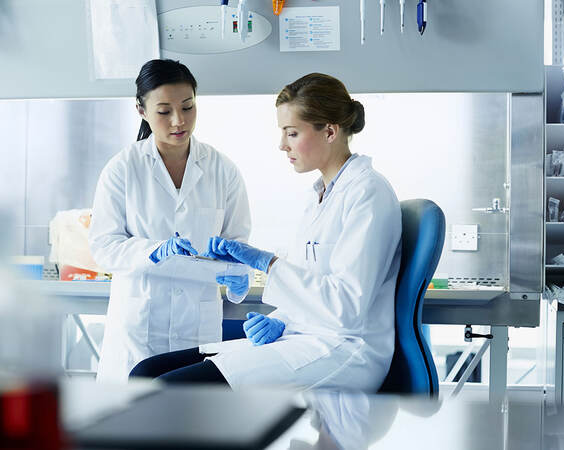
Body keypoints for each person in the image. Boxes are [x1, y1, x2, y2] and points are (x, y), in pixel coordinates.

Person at [130, 73, 402, 393]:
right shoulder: (319, 196)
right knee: (145, 372)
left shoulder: (367, 193)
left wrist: (267, 263)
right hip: (305, 336)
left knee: (169, 389)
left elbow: (347, 308)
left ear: (330, 131)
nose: (282, 144)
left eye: (292, 133)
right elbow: (311, 286)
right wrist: (281, 320)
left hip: (347, 349)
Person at [89, 59, 252, 383]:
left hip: (197, 328)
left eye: (188, 107)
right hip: (138, 330)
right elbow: (103, 247)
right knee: (133, 427)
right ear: (141, 110)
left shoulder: (223, 170)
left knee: (194, 426)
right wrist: (153, 251)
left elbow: (239, 245)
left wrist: (238, 276)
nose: (179, 121)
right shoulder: (123, 169)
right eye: (164, 111)